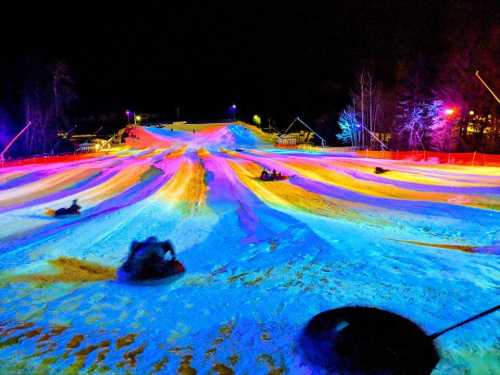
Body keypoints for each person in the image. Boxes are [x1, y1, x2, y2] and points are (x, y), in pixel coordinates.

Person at [117, 237, 184, 282]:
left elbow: (130, 254)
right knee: (160, 265)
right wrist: (173, 257)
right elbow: (169, 243)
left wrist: (126, 265)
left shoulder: (139, 245)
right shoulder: (162, 245)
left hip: (139, 271)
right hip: (154, 269)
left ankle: (138, 275)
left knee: (132, 265)